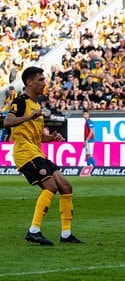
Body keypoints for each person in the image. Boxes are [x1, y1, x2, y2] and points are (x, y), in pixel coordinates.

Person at [3, 66, 83, 245]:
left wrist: (52, 138)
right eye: (40, 80)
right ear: (29, 82)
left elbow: (38, 137)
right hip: (25, 152)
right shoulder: (21, 101)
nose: (44, 84)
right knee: (51, 187)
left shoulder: (37, 105)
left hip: (37, 151)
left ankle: (66, 234)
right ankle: (34, 230)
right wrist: (29, 117)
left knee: (66, 187)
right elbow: (7, 121)